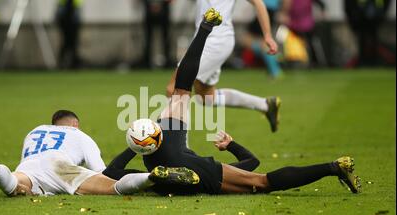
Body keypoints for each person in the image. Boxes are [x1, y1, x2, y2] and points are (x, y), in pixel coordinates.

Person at [104, 8, 362, 196]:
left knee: (262, 183)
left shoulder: (154, 153)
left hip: (176, 158)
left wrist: (138, 145)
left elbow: (111, 173)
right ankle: (205, 30)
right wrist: (231, 146)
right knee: (183, 90)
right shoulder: (181, 150)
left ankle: (333, 167)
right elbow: (254, 165)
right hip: (176, 151)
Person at [0, 110, 200, 196]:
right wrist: (134, 149)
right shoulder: (80, 136)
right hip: (60, 167)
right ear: (74, 125)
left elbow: (30, 170)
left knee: (12, 183)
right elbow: (106, 172)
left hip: (29, 166)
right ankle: (151, 177)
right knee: (110, 186)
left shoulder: (35, 131)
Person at [166, 0, 281, 133]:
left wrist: (267, 36)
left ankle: (179, 149)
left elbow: (258, 3)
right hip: (208, 38)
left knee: (175, 88)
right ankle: (266, 105)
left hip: (215, 41)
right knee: (206, 97)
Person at [278, 0, 326, 67]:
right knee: (281, 37)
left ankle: (312, 62)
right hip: (294, 25)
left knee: (309, 44)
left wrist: (321, 15)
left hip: (304, 25)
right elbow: (284, 11)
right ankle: (283, 60)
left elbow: (321, 4)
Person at [243, 0, 283, 79]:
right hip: (266, 9)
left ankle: (275, 69)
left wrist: (284, 11)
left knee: (261, 43)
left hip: (266, 10)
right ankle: (274, 64)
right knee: (247, 40)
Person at [344, 0, 392, 67]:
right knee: (362, 41)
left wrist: (381, 15)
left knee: (373, 42)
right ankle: (363, 62)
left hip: (375, 19)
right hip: (360, 19)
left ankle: (373, 62)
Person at [141, 0, 173, 68]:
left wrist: (161, 5)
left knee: (166, 38)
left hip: (164, 8)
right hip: (149, 8)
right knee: (148, 38)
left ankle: (167, 61)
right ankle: (146, 62)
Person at [56, 0, 82, 69]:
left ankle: (71, 63)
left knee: (71, 43)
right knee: (68, 43)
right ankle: (65, 63)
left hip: (72, 17)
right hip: (68, 18)